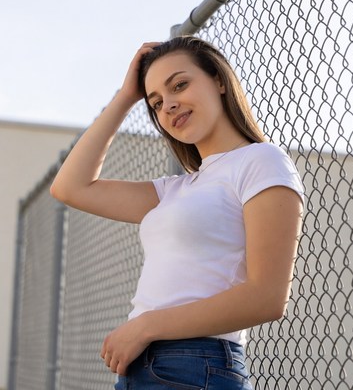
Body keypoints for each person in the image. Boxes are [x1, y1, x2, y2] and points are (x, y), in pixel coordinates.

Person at [50, 36, 304, 389]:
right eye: (155, 102)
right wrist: (126, 98)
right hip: (141, 367)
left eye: (179, 85)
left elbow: (267, 297)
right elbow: (70, 188)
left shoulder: (261, 161)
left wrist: (145, 326)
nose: (168, 105)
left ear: (218, 80)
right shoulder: (175, 189)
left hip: (195, 365)